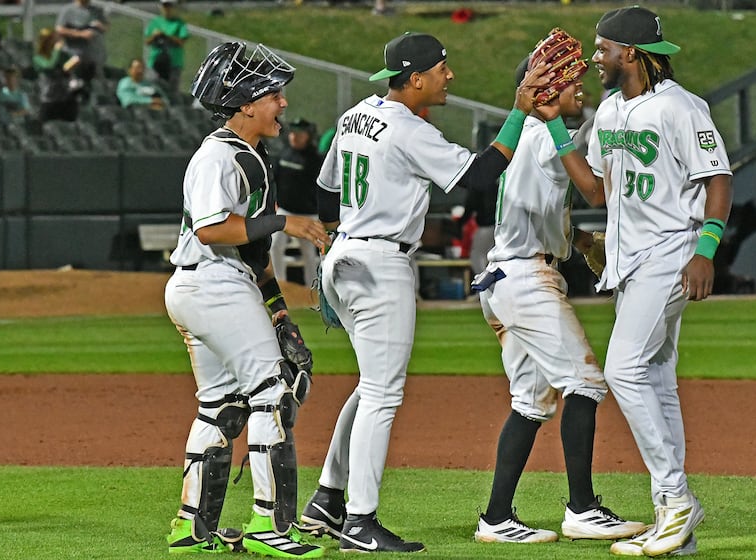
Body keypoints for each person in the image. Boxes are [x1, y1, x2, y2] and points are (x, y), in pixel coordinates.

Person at [298, 31, 552, 553]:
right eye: (441, 68)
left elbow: (325, 188)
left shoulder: (354, 115)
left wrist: (331, 242)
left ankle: (327, 499)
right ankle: (360, 522)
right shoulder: (407, 130)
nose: (449, 75)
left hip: (346, 254)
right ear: (415, 78)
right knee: (384, 393)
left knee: (372, 385)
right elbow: (480, 176)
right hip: (379, 262)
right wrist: (519, 111)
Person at [163, 41, 331, 558]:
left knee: (221, 409)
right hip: (212, 284)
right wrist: (288, 221)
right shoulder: (218, 155)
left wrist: (278, 311)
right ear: (244, 103)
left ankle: (190, 529)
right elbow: (215, 231)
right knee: (274, 394)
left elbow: (252, 249)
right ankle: (270, 527)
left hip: (214, 285)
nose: (283, 104)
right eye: (272, 95)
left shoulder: (251, 155)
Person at [471, 53, 645, 544]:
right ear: (544, 92)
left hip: (509, 276)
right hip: (526, 280)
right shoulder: (546, 136)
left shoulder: (526, 137)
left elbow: (543, 207)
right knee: (587, 383)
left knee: (530, 401)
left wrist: (583, 245)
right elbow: (594, 188)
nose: (580, 86)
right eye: (567, 81)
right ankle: (583, 509)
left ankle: (496, 518)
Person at [583, 7, 734, 556]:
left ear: (630, 52)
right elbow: (598, 192)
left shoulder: (679, 106)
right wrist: (554, 125)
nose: (594, 57)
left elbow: (717, 178)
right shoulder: (607, 110)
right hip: (631, 261)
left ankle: (674, 499)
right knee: (657, 376)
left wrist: (707, 248)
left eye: (602, 49)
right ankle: (676, 522)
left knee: (622, 367)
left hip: (672, 252)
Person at [269, 118, 323, 285]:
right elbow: (274, 180)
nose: (295, 137)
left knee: (308, 253)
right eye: (293, 133)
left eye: (300, 134)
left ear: (308, 136)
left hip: (308, 215)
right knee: (275, 247)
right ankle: (280, 284)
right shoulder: (284, 154)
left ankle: (312, 289)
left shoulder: (315, 160)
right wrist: (274, 203)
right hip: (285, 212)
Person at [33, 28, 82, 123]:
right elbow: (50, 65)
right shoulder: (38, 57)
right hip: (49, 99)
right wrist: (56, 50)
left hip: (64, 98)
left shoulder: (61, 55)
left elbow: (68, 66)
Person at [55, 0, 108, 85]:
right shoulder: (68, 10)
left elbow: (106, 27)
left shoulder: (96, 10)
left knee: (96, 82)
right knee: (75, 82)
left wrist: (99, 26)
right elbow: (59, 29)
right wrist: (80, 34)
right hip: (74, 55)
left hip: (93, 54)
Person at [144, 0, 190, 92]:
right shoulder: (155, 22)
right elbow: (147, 41)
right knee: (154, 89)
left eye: (169, 6)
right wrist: (155, 36)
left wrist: (166, 35)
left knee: (172, 91)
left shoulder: (179, 23)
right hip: (155, 62)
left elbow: (181, 42)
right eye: (165, 6)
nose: (167, 9)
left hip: (173, 63)